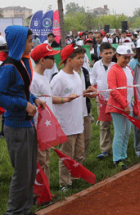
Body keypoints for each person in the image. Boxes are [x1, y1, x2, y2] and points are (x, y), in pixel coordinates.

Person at [0, 26, 46, 215]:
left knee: (29, 172)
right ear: (19, 42)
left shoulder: (23, 62)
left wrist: (33, 98)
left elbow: (22, 90)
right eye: (29, 41)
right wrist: (23, 104)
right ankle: (13, 212)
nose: (32, 44)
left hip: (28, 124)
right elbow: (1, 95)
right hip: (15, 125)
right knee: (21, 173)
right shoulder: (8, 67)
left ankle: (25, 209)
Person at [51, 44, 93, 191]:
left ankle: (75, 177)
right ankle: (64, 182)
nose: (82, 60)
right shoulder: (59, 78)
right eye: (79, 58)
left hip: (78, 121)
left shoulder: (76, 75)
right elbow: (50, 98)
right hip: (66, 123)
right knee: (66, 154)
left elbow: (77, 92)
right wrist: (66, 99)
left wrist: (86, 92)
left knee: (79, 152)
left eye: (83, 57)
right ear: (69, 60)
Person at [30, 43, 61, 183]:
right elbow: (32, 103)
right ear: (42, 60)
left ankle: (45, 189)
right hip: (38, 125)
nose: (54, 61)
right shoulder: (34, 79)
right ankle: (39, 193)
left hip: (46, 124)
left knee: (45, 157)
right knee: (40, 159)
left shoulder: (42, 76)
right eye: (51, 58)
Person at [106, 45, 140, 170]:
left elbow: (133, 88)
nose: (126, 60)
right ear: (117, 56)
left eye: (128, 58)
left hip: (128, 107)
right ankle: (117, 159)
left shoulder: (129, 69)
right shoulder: (113, 70)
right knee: (120, 133)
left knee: (126, 133)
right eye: (124, 58)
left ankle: (123, 155)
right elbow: (113, 90)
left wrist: (135, 104)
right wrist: (124, 104)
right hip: (118, 108)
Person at [91, 43, 115, 159]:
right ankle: (105, 150)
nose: (109, 55)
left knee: (117, 123)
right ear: (100, 54)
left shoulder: (116, 64)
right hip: (101, 99)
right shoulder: (96, 65)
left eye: (111, 52)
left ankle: (117, 147)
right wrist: (91, 89)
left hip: (115, 99)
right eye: (106, 53)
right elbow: (93, 79)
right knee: (104, 125)